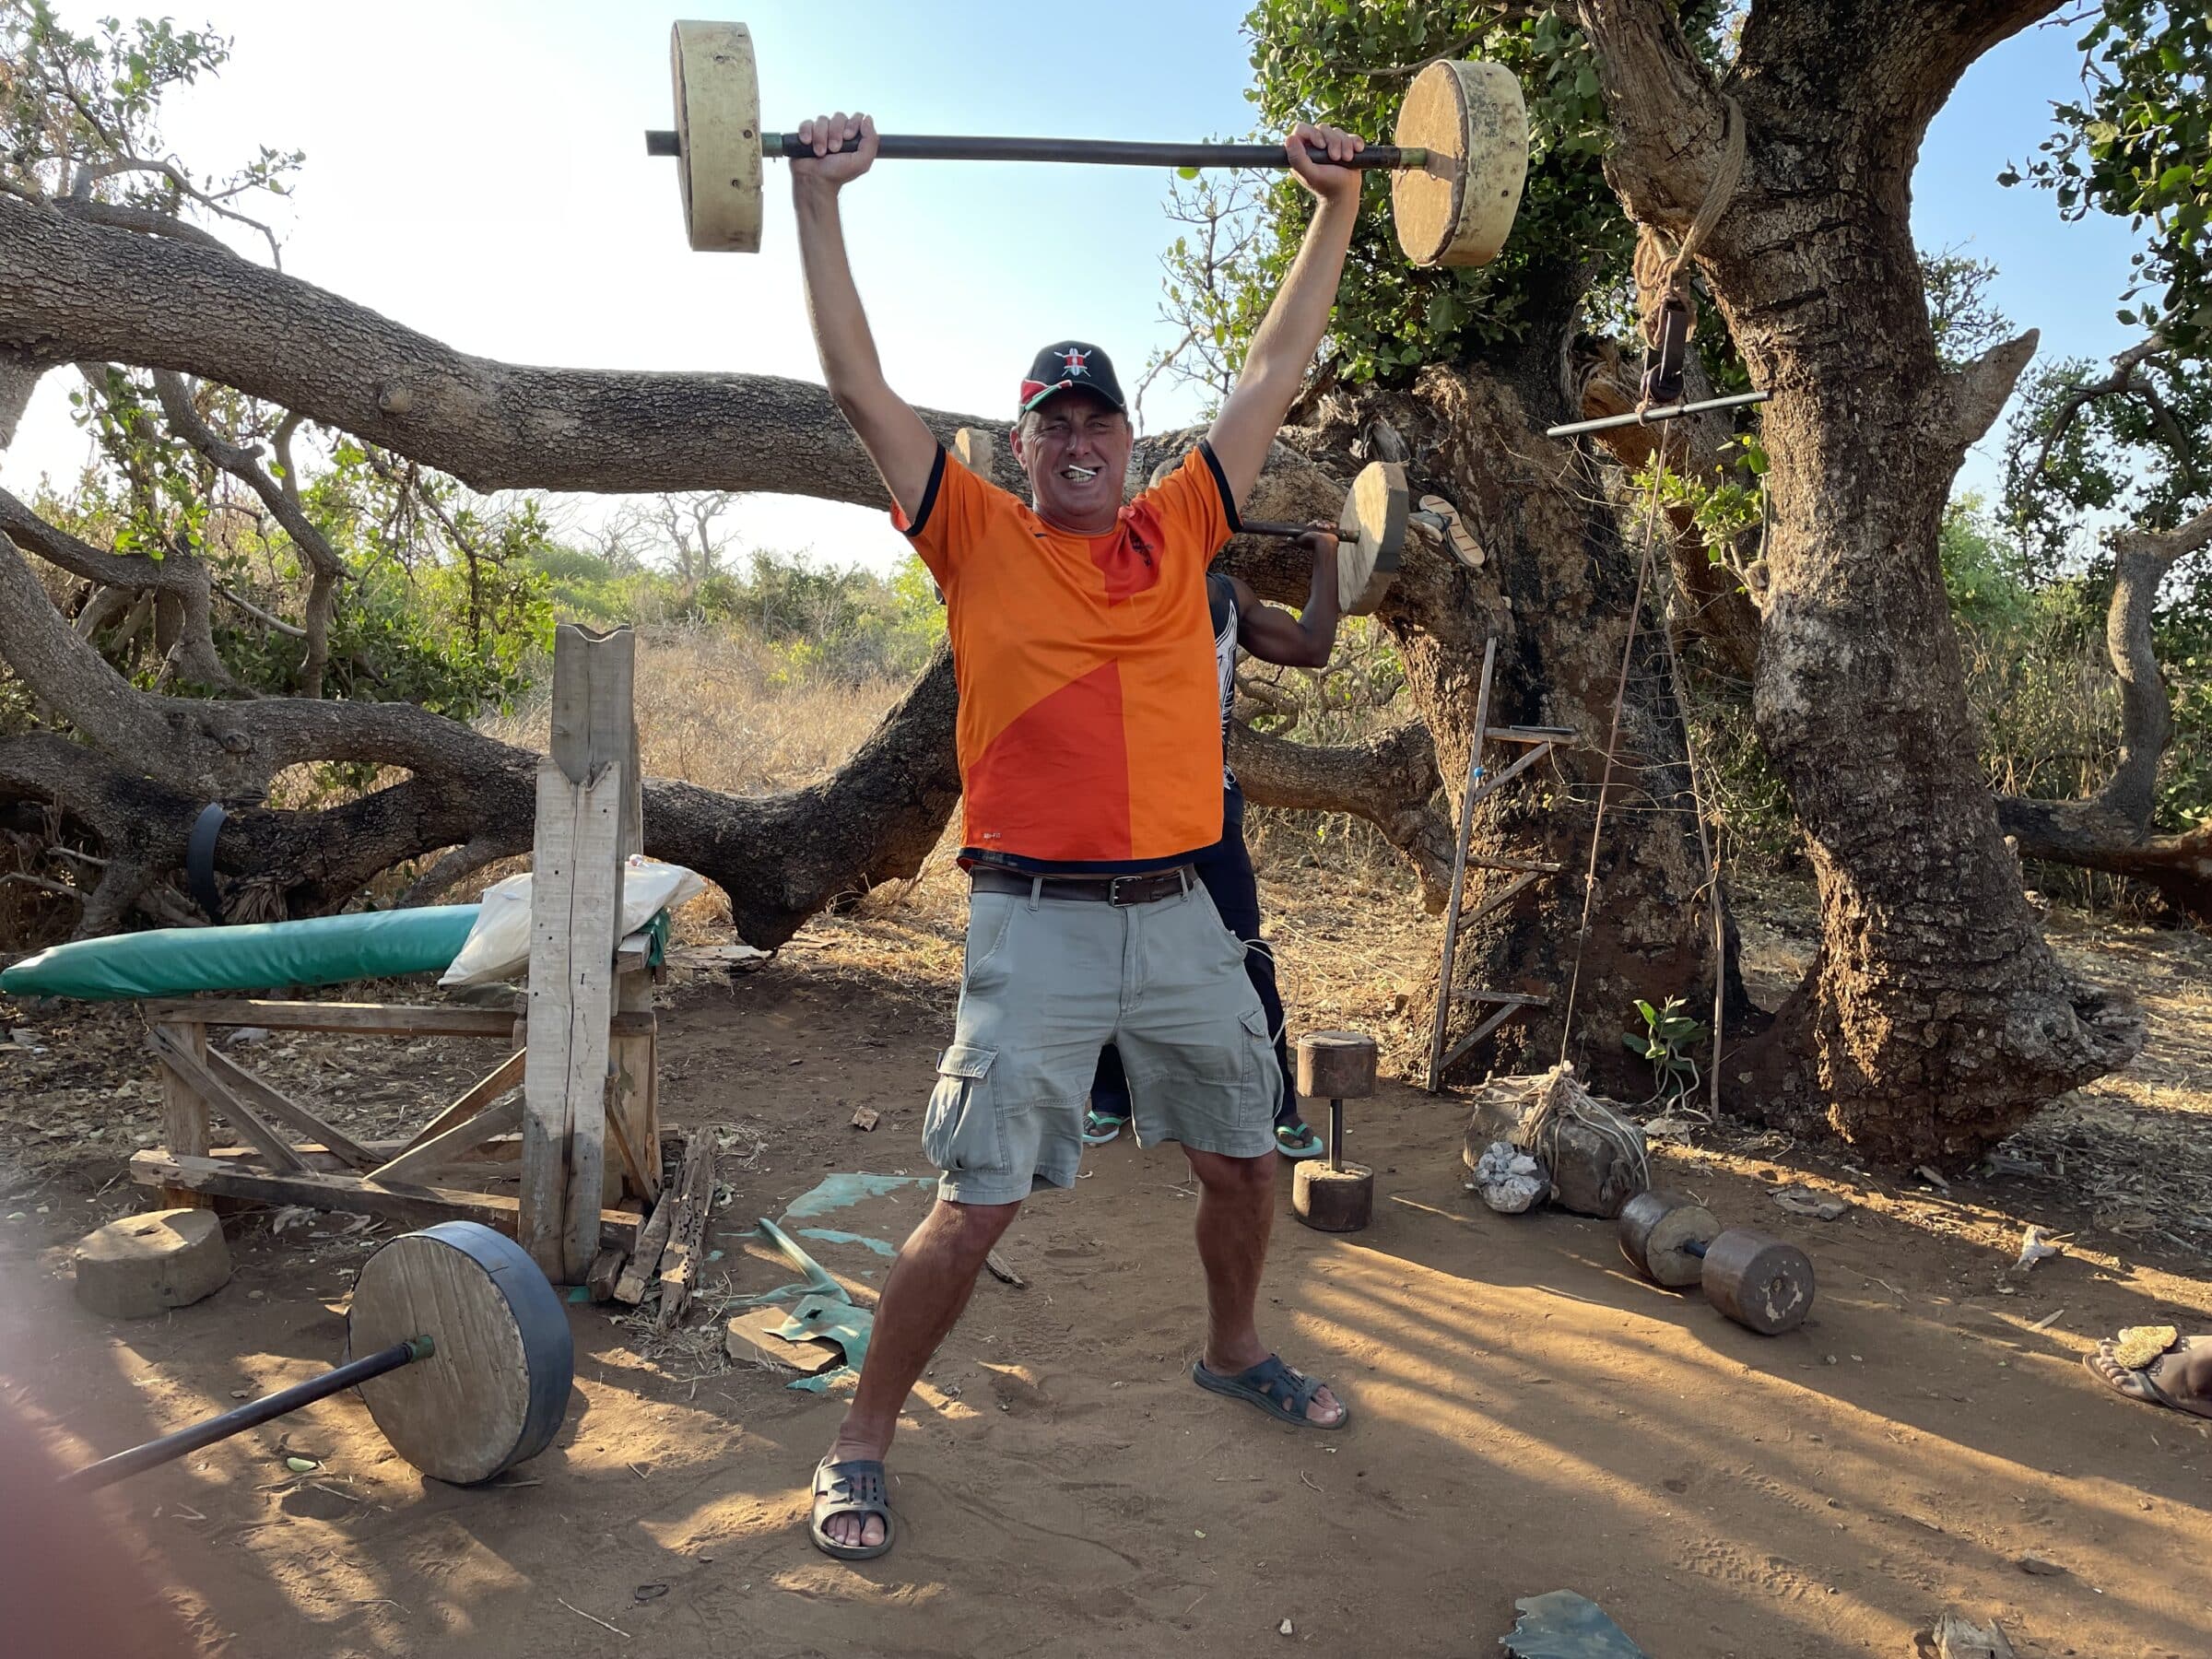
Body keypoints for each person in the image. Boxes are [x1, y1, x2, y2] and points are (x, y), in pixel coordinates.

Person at [789, 105, 1368, 1560]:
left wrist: (1335, 208)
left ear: (1129, 442)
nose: (1080, 440)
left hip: (1182, 915)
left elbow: (1273, 370)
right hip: (1034, 924)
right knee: (976, 1203)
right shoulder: (972, 534)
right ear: (1019, 445)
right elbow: (859, 388)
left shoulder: (1186, 530)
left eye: (1099, 420)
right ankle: (861, 1440)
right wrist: (818, 201)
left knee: (1242, 1160)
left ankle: (1234, 1350)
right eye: (1054, 422)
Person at [1083, 535, 1345, 1160]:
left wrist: (1329, 558)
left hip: (1201, 810)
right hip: (1126, 811)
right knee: (1113, 946)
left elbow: (1312, 646)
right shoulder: (1102, 596)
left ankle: (1277, 1107)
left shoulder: (1221, 597)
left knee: (1242, 953)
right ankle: (1111, 1097)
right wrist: (1328, 555)